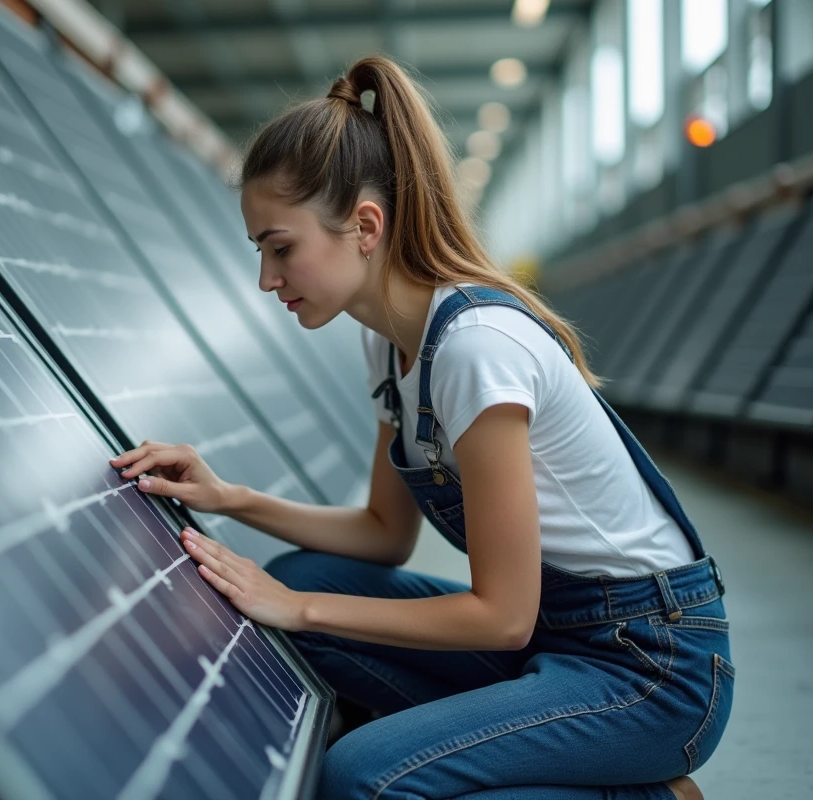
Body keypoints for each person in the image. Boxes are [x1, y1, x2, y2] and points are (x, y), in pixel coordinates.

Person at [110, 56, 731, 800]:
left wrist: (297, 610)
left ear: (365, 226)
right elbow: (383, 533)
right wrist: (229, 497)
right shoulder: (390, 341)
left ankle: (640, 792)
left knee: (362, 777)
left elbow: (502, 615)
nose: (267, 279)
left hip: (649, 667)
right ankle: (521, 755)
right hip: (555, 638)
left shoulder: (475, 348)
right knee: (304, 578)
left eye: (281, 248)